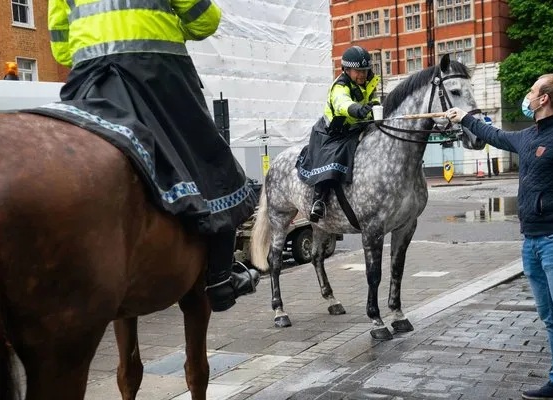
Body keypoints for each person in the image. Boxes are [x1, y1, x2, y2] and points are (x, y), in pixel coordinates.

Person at [48, 0, 259, 312]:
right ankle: (219, 280)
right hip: (154, 71)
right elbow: (205, 21)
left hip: (90, 79)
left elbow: (61, 50)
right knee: (211, 160)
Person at [447, 73, 553, 400]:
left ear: (545, 99)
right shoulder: (530, 135)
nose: (528, 95)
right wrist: (465, 118)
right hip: (532, 242)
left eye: (532, 90)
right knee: (551, 317)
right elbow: (494, 134)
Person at [298, 45, 380, 222]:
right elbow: (342, 103)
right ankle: (318, 200)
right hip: (332, 132)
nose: (362, 75)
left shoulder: (369, 82)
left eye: (365, 71)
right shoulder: (340, 86)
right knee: (334, 158)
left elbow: (373, 100)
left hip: (357, 127)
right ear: (347, 70)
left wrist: (376, 108)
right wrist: (358, 109)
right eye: (358, 71)